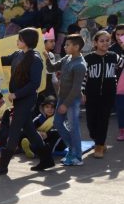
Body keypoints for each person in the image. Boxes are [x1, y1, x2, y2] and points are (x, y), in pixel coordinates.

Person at [0, 28, 55, 175]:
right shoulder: (18, 54)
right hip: (18, 99)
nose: (17, 41)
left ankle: (3, 165)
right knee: (30, 130)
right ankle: (47, 159)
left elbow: (34, 84)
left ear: (27, 41)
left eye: (20, 39)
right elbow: (1, 60)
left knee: (14, 130)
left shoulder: (36, 59)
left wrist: (16, 94)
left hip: (27, 100)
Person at [45, 34, 87, 167]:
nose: (64, 47)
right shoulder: (67, 58)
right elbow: (51, 68)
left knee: (74, 128)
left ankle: (78, 157)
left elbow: (76, 88)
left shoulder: (80, 65)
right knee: (57, 123)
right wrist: (47, 58)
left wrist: (65, 104)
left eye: (68, 45)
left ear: (77, 47)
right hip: (62, 98)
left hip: (72, 101)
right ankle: (72, 150)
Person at [82, 30, 121, 159]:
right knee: (91, 121)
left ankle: (99, 145)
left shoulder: (114, 56)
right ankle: (97, 139)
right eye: (102, 41)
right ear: (95, 43)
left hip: (108, 94)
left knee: (103, 120)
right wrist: (82, 92)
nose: (105, 43)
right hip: (91, 94)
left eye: (107, 40)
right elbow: (83, 78)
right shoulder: (88, 58)